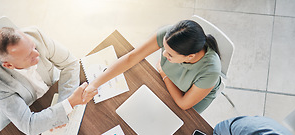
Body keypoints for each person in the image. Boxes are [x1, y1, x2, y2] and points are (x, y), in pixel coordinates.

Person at [82, 19, 221, 113]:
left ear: (189, 56)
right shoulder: (171, 35)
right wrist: (95, 83)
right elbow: (132, 57)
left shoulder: (210, 71)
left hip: (192, 99)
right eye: (164, 48)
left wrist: (164, 75)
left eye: (170, 55)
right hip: (171, 82)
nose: (164, 54)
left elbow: (184, 104)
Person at [0, 27, 97, 135]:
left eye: (34, 47)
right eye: (29, 57)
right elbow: (29, 126)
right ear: (9, 65)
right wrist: (69, 104)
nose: (36, 54)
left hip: (52, 94)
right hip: (25, 113)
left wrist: (62, 108)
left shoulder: (35, 35)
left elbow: (71, 64)